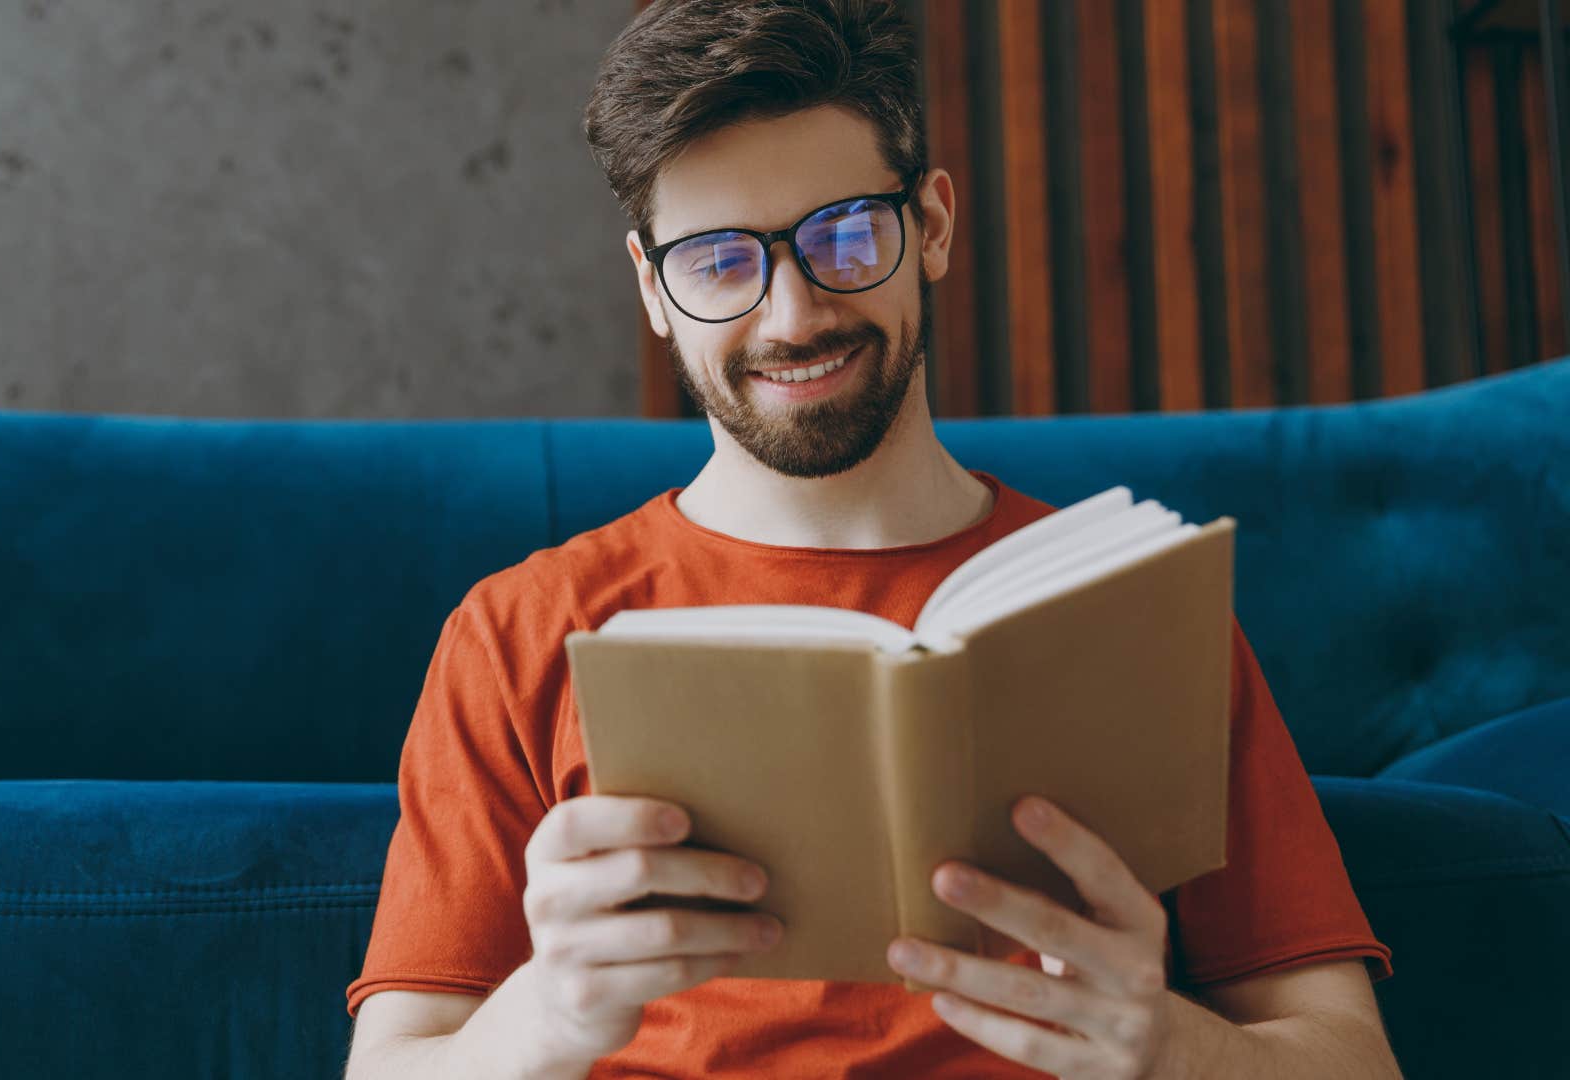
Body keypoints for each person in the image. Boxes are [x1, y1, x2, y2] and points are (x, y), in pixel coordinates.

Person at [343, 2, 1400, 1076]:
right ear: (652, 289)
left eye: (845, 235)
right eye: (718, 262)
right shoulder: (518, 631)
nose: (793, 316)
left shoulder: (1138, 609)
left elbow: (1356, 1058)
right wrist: (549, 1020)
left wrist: (1165, 1044)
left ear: (931, 225)